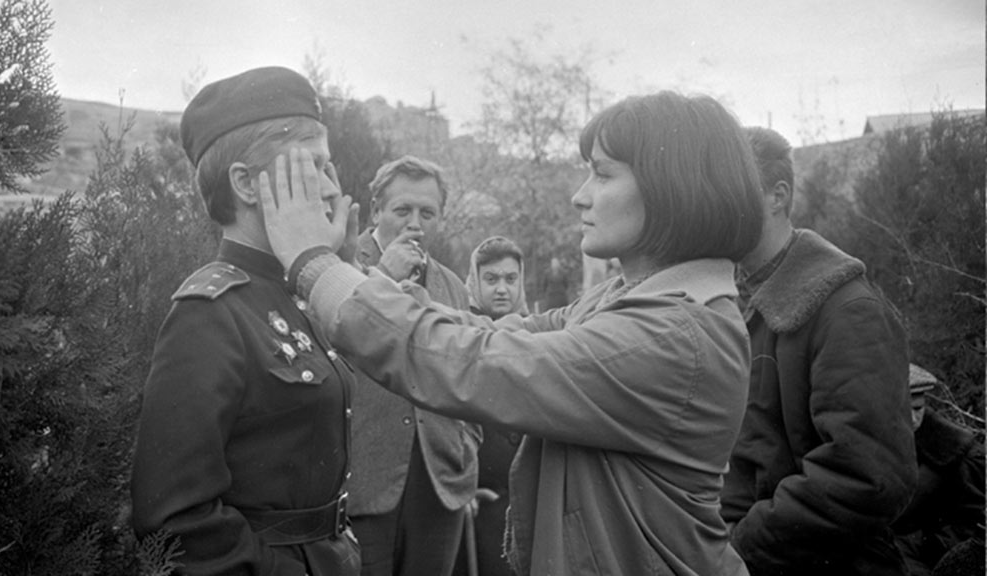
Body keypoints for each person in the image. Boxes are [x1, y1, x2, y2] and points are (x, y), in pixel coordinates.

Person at [261, 91, 767, 575]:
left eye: (601, 174)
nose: (579, 196)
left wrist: (314, 264)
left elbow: (478, 363)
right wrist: (356, 273)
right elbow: (488, 332)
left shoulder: (669, 334)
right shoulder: (631, 301)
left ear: (670, 189)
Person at [129, 67, 360, 575]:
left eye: (329, 168)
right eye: (312, 167)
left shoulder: (299, 292)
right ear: (245, 184)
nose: (329, 188)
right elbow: (173, 514)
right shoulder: (210, 313)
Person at [720, 126, 917, 576]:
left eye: (731, 191)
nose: (716, 207)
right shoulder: (740, 303)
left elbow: (869, 476)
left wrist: (738, 546)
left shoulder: (848, 310)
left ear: (778, 197)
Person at [348, 155, 481, 576]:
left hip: (439, 486)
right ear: (376, 212)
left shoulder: (453, 287)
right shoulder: (342, 268)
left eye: (428, 213)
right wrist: (382, 277)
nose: (415, 223)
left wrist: (466, 449)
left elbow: (473, 375)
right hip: (361, 483)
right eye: (402, 210)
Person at [454, 236, 528, 576]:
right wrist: (461, 484)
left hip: (524, 497)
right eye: (492, 279)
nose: (502, 289)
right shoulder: (459, 337)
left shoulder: (536, 334)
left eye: (510, 279)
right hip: (478, 499)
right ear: (475, 282)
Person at [893, 364, 985, 576]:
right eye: (902, 410)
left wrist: (916, 544)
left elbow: (974, 532)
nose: (913, 419)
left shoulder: (961, 457)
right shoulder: (871, 443)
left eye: (918, 408)